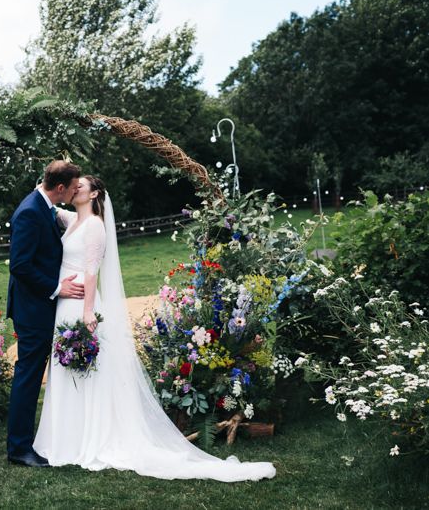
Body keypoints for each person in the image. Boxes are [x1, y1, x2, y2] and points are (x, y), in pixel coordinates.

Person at [33, 176, 277, 482]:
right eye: (72, 184)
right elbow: (52, 203)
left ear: (94, 193)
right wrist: (46, 183)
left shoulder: (95, 225)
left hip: (82, 303)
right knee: (70, 372)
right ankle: (69, 436)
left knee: (86, 373)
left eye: (80, 185)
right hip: (65, 304)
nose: (74, 187)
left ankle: (88, 438)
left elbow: (92, 271)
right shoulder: (73, 220)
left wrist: (86, 313)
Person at [6, 160, 85, 467]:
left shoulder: (46, 206)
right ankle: (19, 449)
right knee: (28, 376)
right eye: (73, 186)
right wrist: (56, 288)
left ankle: (27, 441)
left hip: (40, 306)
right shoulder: (29, 212)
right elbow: (20, 265)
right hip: (32, 308)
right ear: (60, 187)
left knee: (31, 374)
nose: (76, 190)